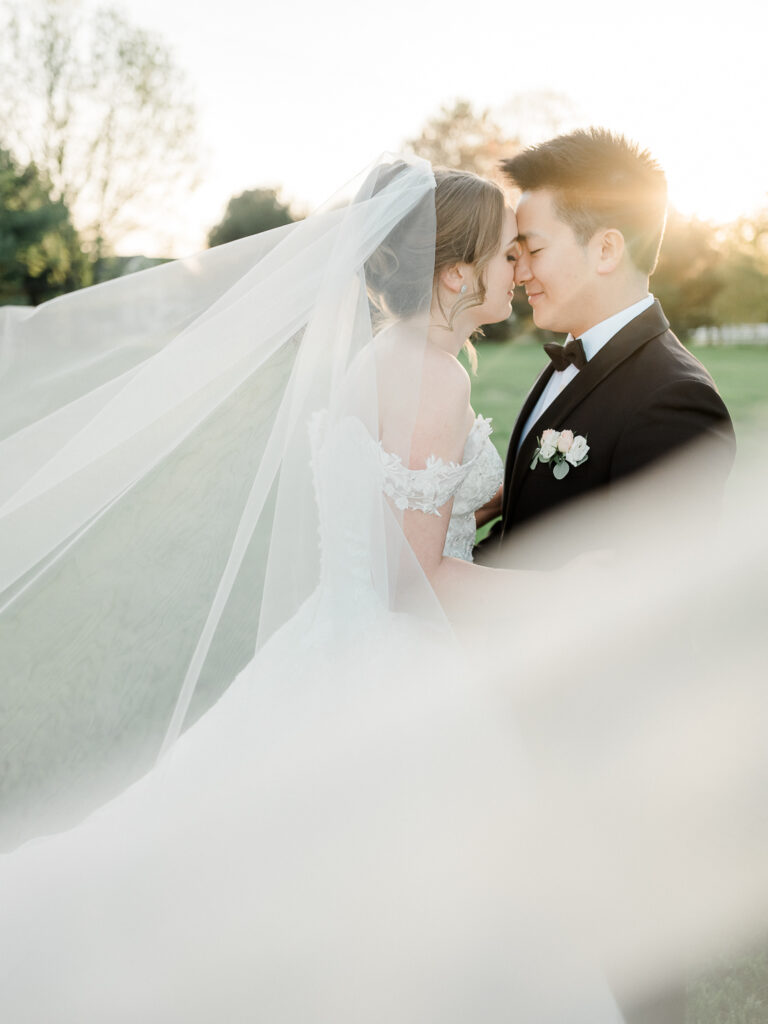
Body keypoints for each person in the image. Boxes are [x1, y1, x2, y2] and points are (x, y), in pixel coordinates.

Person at [0, 156, 630, 1022]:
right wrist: (565, 593)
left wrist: (483, 492)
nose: (515, 270)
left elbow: (394, 507)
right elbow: (420, 582)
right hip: (395, 676)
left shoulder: (383, 358)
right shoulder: (436, 378)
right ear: (454, 272)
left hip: (321, 647)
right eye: (499, 254)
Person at [476, 128, 736, 570]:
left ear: (606, 249)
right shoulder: (569, 359)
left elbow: (643, 601)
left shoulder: (675, 402)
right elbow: (522, 535)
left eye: (533, 249)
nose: (519, 273)